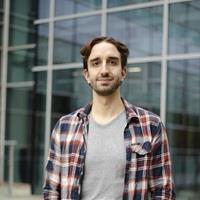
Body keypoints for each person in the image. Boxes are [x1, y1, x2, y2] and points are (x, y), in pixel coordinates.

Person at [43, 36, 175, 200]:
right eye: (96, 63)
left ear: (123, 72)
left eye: (112, 62)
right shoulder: (65, 127)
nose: (104, 70)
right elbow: (51, 190)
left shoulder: (150, 125)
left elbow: (163, 192)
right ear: (86, 74)